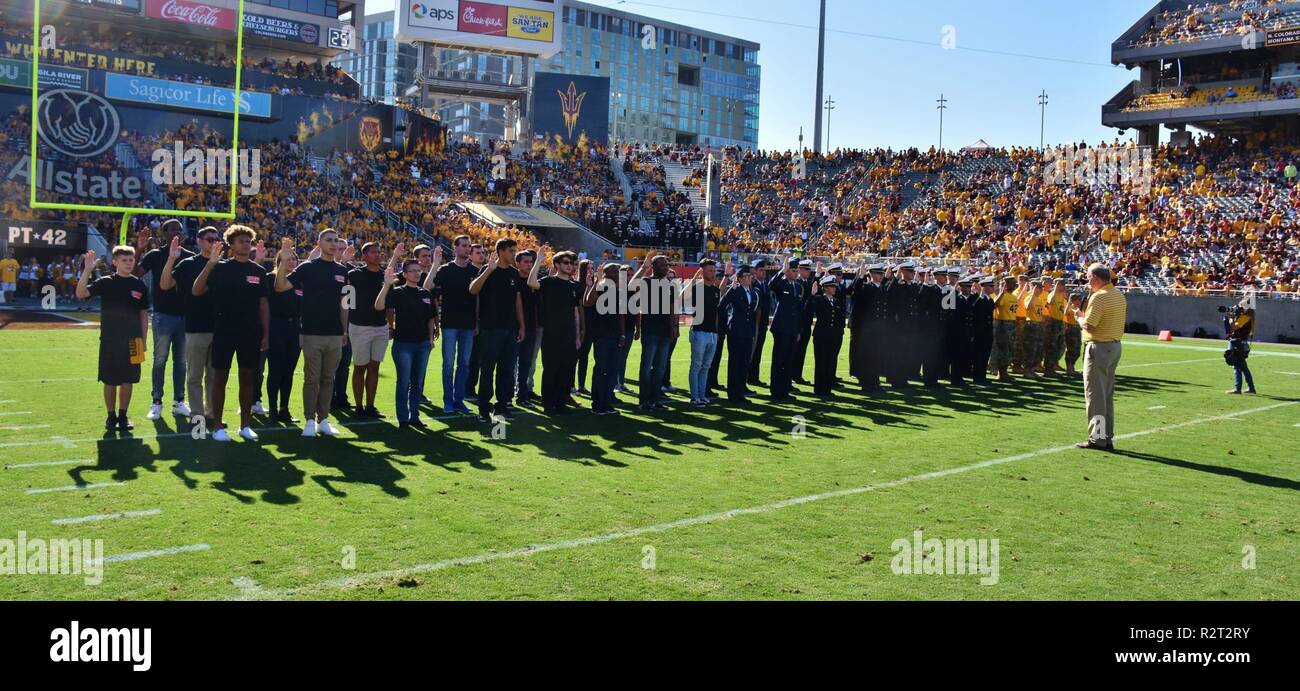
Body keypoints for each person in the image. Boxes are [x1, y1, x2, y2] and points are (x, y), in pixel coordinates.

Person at [192, 225, 270, 442]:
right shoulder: (220, 268)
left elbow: (263, 305)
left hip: (250, 332)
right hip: (224, 331)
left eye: (248, 241)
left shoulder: (258, 271)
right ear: (231, 245)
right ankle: (217, 426)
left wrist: (266, 333)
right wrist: (210, 264)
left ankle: (245, 425)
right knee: (219, 379)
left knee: (248, 378)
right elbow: (196, 290)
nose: (246, 244)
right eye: (241, 241)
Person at [276, 230, 350, 438]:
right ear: (319, 242)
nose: (334, 244)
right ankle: (309, 419)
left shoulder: (342, 271)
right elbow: (280, 286)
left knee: (328, 378)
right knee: (312, 378)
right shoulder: (307, 267)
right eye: (329, 240)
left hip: (335, 334)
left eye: (336, 240)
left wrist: (345, 331)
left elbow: (346, 304)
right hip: (311, 332)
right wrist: (283, 260)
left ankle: (323, 419)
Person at [76, 247, 149, 433]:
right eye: (124, 260)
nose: (129, 263)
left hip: (134, 341)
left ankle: (123, 416)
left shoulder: (140, 285)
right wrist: (87, 270)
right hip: (110, 340)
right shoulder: (105, 282)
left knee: (129, 380)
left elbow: (143, 315)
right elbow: (81, 294)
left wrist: (144, 340)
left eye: (131, 260)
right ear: (115, 262)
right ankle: (111, 416)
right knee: (109, 380)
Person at [134, 220, 192, 421]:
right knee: (160, 360)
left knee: (181, 362)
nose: (177, 232)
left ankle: (179, 401)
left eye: (179, 229)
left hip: (184, 315)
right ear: (164, 232)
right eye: (173, 229)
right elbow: (135, 274)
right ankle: (156, 401)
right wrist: (139, 249)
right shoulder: (155, 255)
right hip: (163, 315)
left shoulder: (188, 257)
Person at [377, 250, 440, 428]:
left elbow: (430, 318)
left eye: (418, 270)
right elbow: (383, 308)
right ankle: (403, 417)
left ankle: (415, 416)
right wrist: (391, 327)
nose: (416, 273)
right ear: (404, 274)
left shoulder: (425, 294)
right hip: (403, 343)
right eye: (412, 271)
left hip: (422, 344)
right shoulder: (397, 292)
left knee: (417, 383)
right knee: (403, 381)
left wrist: (430, 339)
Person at [165, 228, 219, 427]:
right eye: (209, 239)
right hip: (196, 326)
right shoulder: (188, 264)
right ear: (199, 241)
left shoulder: (222, 265)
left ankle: (212, 414)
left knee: (213, 376)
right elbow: (165, 284)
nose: (213, 242)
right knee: (195, 375)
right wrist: (171, 259)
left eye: (216, 239)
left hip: (218, 327)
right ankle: (197, 415)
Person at [468, 238, 525, 423]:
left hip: (510, 328)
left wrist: (521, 325)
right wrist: (489, 270)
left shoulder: (514, 273)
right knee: (487, 370)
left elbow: (518, 301)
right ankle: (484, 408)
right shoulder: (487, 269)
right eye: (510, 250)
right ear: (500, 251)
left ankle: (501, 406)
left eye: (515, 250)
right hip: (491, 329)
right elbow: (473, 290)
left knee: (506, 371)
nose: (513, 254)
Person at [1076, 264, 1127, 451]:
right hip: (1114, 346)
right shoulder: (1118, 295)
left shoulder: (1099, 297)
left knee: (1095, 396)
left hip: (1098, 347)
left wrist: (1079, 318)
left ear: (1096, 278)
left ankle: (1097, 438)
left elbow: (1090, 325)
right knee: (1106, 395)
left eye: (1088, 277)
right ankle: (1106, 437)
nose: (1087, 280)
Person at [532, 251, 582, 415]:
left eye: (571, 263)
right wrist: (538, 261)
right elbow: (531, 282)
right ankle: (548, 404)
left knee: (566, 370)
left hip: (569, 335)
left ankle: (561, 403)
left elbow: (575, 312)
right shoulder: (548, 282)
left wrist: (577, 337)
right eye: (566, 262)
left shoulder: (575, 286)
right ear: (557, 265)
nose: (569, 265)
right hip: (551, 333)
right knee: (551, 369)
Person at [433, 235, 478, 415]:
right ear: (455, 247)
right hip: (450, 324)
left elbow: (478, 300)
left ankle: (459, 400)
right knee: (448, 364)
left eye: (469, 246)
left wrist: (476, 322)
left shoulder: (474, 271)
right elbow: (429, 288)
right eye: (464, 246)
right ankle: (448, 401)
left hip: (468, 325)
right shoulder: (445, 270)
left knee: (464, 364)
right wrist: (435, 264)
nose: (467, 249)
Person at [345, 243, 389, 418]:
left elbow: (389, 305)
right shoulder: (354, 274)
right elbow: (346, 302)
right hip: (359, 326)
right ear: (364, 256)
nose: (377, 255)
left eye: (379, 252)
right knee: (359, 367)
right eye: (373, 252)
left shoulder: (384, 275)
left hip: (380, 327)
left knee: (374, 367)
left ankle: (370, 406)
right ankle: (359, 406)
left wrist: (391, 325)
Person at [633, 255, 678, 411]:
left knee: (660, 368)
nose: (666, 267)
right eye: (662, 265)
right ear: (653, 267)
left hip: (665, 331)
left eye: (666, 265)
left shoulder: (670, 284)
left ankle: (655, 399)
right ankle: (643, 400)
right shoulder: (646, 282)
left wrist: (673, 327)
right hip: (650, 330)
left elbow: (672, 307)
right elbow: (632, 288)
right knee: (646, 367)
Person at [265, 242, 302, 423]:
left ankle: (284, 409)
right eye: (288, 258)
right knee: (275, 370)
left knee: (289, 371)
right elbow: (279, 286)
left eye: (294, 259)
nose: (292, 262)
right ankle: (272, 409)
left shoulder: (299, 280)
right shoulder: (270, 277)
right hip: (276, 327)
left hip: (294, 328)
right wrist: (282, 264)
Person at [585, 263, 625, 415]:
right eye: (613, 271)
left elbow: (621, 313)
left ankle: (607, 402)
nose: (616, 273)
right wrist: (597, 280)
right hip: (601, 335)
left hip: (615, 336)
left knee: (612, 371)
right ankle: (597, 403)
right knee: (601, 370)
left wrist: (622, 334)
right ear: (605, 273)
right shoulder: (600, 287)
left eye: (618, 270)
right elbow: (587, 302)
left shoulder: (619, 290)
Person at [767, 257, 805, 402]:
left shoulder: (797, 286)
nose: (796, 273)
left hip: (792, 329)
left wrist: (798, 331)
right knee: (779, 360)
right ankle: (776, 392)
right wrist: (782, 270)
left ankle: (784, 390)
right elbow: (772, 285)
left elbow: (798, 310)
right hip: (781, 328)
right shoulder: (781, 283)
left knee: (788, 361)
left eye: (797, 271)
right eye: (793, 271)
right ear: (787, 271)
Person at [718, 266, 759, 403]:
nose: (749, 278)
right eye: (746, 276)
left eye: (750, 275)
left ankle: (740, 392)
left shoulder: (753, 293)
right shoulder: (735, 290)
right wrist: (731, 289)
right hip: (735, 331)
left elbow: (752, 314)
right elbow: (722, 304)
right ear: (739, 278)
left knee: (744, 363)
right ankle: (733, 394)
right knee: (735, 363)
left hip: (747, 332)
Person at [685, 259, 721, 407]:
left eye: (713, 270)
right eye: (709, 270)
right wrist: (694, 279)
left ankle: (702, 395)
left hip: (713, 333)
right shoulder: (696, 287)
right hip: (699, 332)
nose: (712, 273)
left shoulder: (715, 290)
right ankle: (694, 397)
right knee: (696, 366)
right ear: (702, 271)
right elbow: (682, 297)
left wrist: (717, 332)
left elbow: (716, 313)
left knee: (706, 367)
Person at [848, 264, 888, 393]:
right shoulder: (866, 287)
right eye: (878, 273)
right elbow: (856, 291)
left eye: (882, 273)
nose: (881, 276)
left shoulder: (881, 288)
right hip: (867, 330)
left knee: (877, 356)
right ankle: (867, 383)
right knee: (867, 357)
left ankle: (875, 382)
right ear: (871, 274)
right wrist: (860, 277)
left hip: (878, 328)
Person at [514, 249, 542, 406]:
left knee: (527, 362)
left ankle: (522, 394)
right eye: (525, 261)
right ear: (517, 263)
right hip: (514, 327)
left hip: (532, 328)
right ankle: (508, 394)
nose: (529, 264)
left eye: (531, 261)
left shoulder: (534, 281)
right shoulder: (513, 279)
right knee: (510, 363)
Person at [811, 274, 845, 397]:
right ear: (825, 287)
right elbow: (810, 307)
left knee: (831, 363)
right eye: (831, 286)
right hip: (821, 336)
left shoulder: (837, 301)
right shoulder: (819, 299)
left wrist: (839, 333)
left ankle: (827, 389)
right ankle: (819, 390)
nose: (834, 288)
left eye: (835, 286)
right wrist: (813, 295)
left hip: (833, 337)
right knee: (821, 363)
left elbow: (840, 320)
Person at [1224, 299, 1257, 395]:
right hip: (1238, 342)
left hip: (1238, 343)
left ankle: (1238, 389)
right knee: (1242, 367)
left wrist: (1230, 317)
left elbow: (1234, 327)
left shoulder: (1246, 317)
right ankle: (1250, 388)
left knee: (1237, 366)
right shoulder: (1245, 315)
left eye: (1241, 306)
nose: (1239, 308)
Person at [747, 259, 771, 387]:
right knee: (751, 351)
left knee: (758, 351)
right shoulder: (753, 284)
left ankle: (754, 377)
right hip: (754, 323)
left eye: (764, 270)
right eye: (761, 270)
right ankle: (748, 377)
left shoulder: (765, 284)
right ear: (755, 271)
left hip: (762, 324)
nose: (763, 272)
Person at [969, 276, 996, 385]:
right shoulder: (979, 301)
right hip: (980, 334)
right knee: (979, 356)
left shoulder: (989, 300)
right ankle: (978, 378)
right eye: (991, 286)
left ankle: (982, 376)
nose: (993, 288)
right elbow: (977, 320)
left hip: (987, 333)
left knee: (985, 356)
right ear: (984, 287)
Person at [991, 275, 1018, 380]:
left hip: (1012, 324)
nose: (1014, 285)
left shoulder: (1014, 296)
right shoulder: (1004, 295)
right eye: (1012, 283)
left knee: (1010, 349)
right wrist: (1001, 292)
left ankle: (1004, 371)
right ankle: (1001, 373)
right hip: (1003, 325)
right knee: (1003, 349)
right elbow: (995, 305)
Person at [1062, 293, 1083, 378]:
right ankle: (1069, 368)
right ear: (1074, 300)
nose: (1080, 301)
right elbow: (1065, 313)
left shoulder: (1078, 309)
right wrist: (1069, 302)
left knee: (1077, 350)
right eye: (1078, 299)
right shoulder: (1070, 308)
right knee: (1071, 349)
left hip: (1077, 329)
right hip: (1071, 329)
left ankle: (1072, 367)